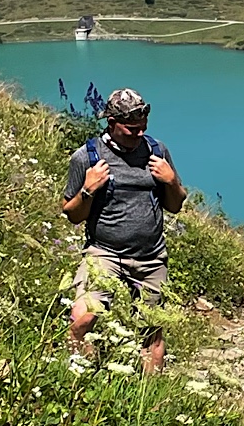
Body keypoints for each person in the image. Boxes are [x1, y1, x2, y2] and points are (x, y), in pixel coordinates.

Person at [61, 86, 185, 373]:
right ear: (112, 123)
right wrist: (89, 190)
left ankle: (149, 400)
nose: (139, 134)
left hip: (151, 258)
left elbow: (175, 205)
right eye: (131, 129)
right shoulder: (88, 157)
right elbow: (72, 214)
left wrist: (171, 181)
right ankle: (82, 376)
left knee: (151, 331)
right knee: (84, 316)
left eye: (143, 127)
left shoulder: (157, 151)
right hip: (105, 254)